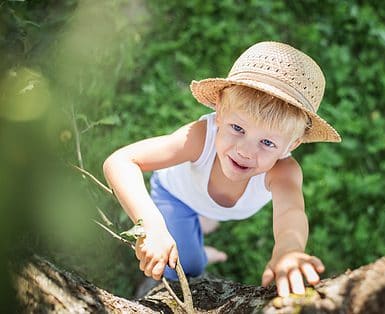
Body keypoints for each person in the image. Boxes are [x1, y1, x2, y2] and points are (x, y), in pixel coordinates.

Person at [103, 41, 341, 297]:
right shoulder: (199, 138)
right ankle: (195, 251)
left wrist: (289, 250)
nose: (246, 151)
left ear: (292, 144)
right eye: (238, 129)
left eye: (268, 142)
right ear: (219, 114)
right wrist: (151, 225)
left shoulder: (283, 171)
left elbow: (291, 213)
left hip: (204, 199)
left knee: (195, 226)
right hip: (177, 196)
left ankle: (200, 226)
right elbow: (120, 161)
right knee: (187, 265)